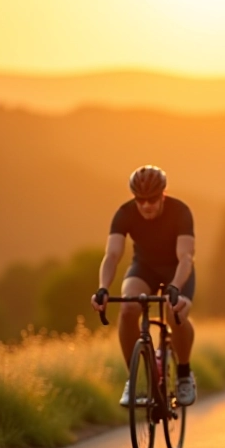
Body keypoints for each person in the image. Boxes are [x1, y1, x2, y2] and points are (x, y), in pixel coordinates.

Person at [91, 165, 197, 407]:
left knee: (175, 312)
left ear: (163, 194)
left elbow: (186, 258)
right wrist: (103, 288)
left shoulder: (180, 211)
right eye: (141, 200)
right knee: (128, 309)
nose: (147, 205)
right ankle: (135, 378)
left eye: (152, 199)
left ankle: (183, 374)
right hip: (144, 268)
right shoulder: (124, 213)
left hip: (177, 270)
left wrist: (176, 287)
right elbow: (112, 255)